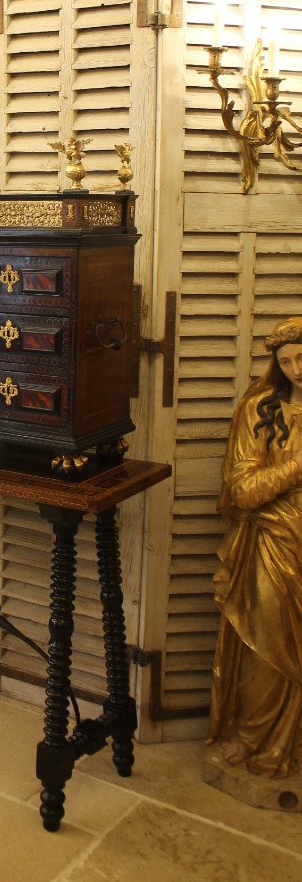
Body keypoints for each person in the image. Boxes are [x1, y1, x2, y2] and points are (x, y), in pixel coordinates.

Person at [207, 316, 302, 779]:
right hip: (275, 540)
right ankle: (250, 735)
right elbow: (242, 490)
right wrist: (297, 466)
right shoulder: (262, 410)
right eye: (285, 361)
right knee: (266, 645)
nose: (296, 368)